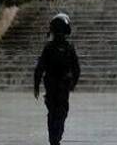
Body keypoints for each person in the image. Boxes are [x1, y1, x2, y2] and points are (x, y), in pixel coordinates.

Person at [34, 13, 81, 145]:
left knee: (54, 112)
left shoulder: (52, 48)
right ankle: (56, 137)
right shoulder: (65, 48)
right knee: (59, 111)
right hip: (59, 85)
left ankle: (54, 138)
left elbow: (39, 67)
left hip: (54, 84)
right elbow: (76, 69)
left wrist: (36, 84)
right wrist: (73, 83)